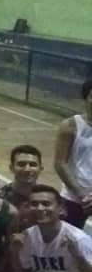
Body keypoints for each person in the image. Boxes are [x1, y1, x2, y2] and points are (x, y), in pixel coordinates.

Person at [53, 77, 92, 228]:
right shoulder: (70, 125)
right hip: (74, 197)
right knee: (67, 238)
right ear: (85, 98)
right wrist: (81, 194)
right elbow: (60, 163)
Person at [0, 145, 43, 228]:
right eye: (21, 164)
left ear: (41, 168)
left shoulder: (51, 200)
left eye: (32, 165)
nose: (27, 169)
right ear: (11, 168)